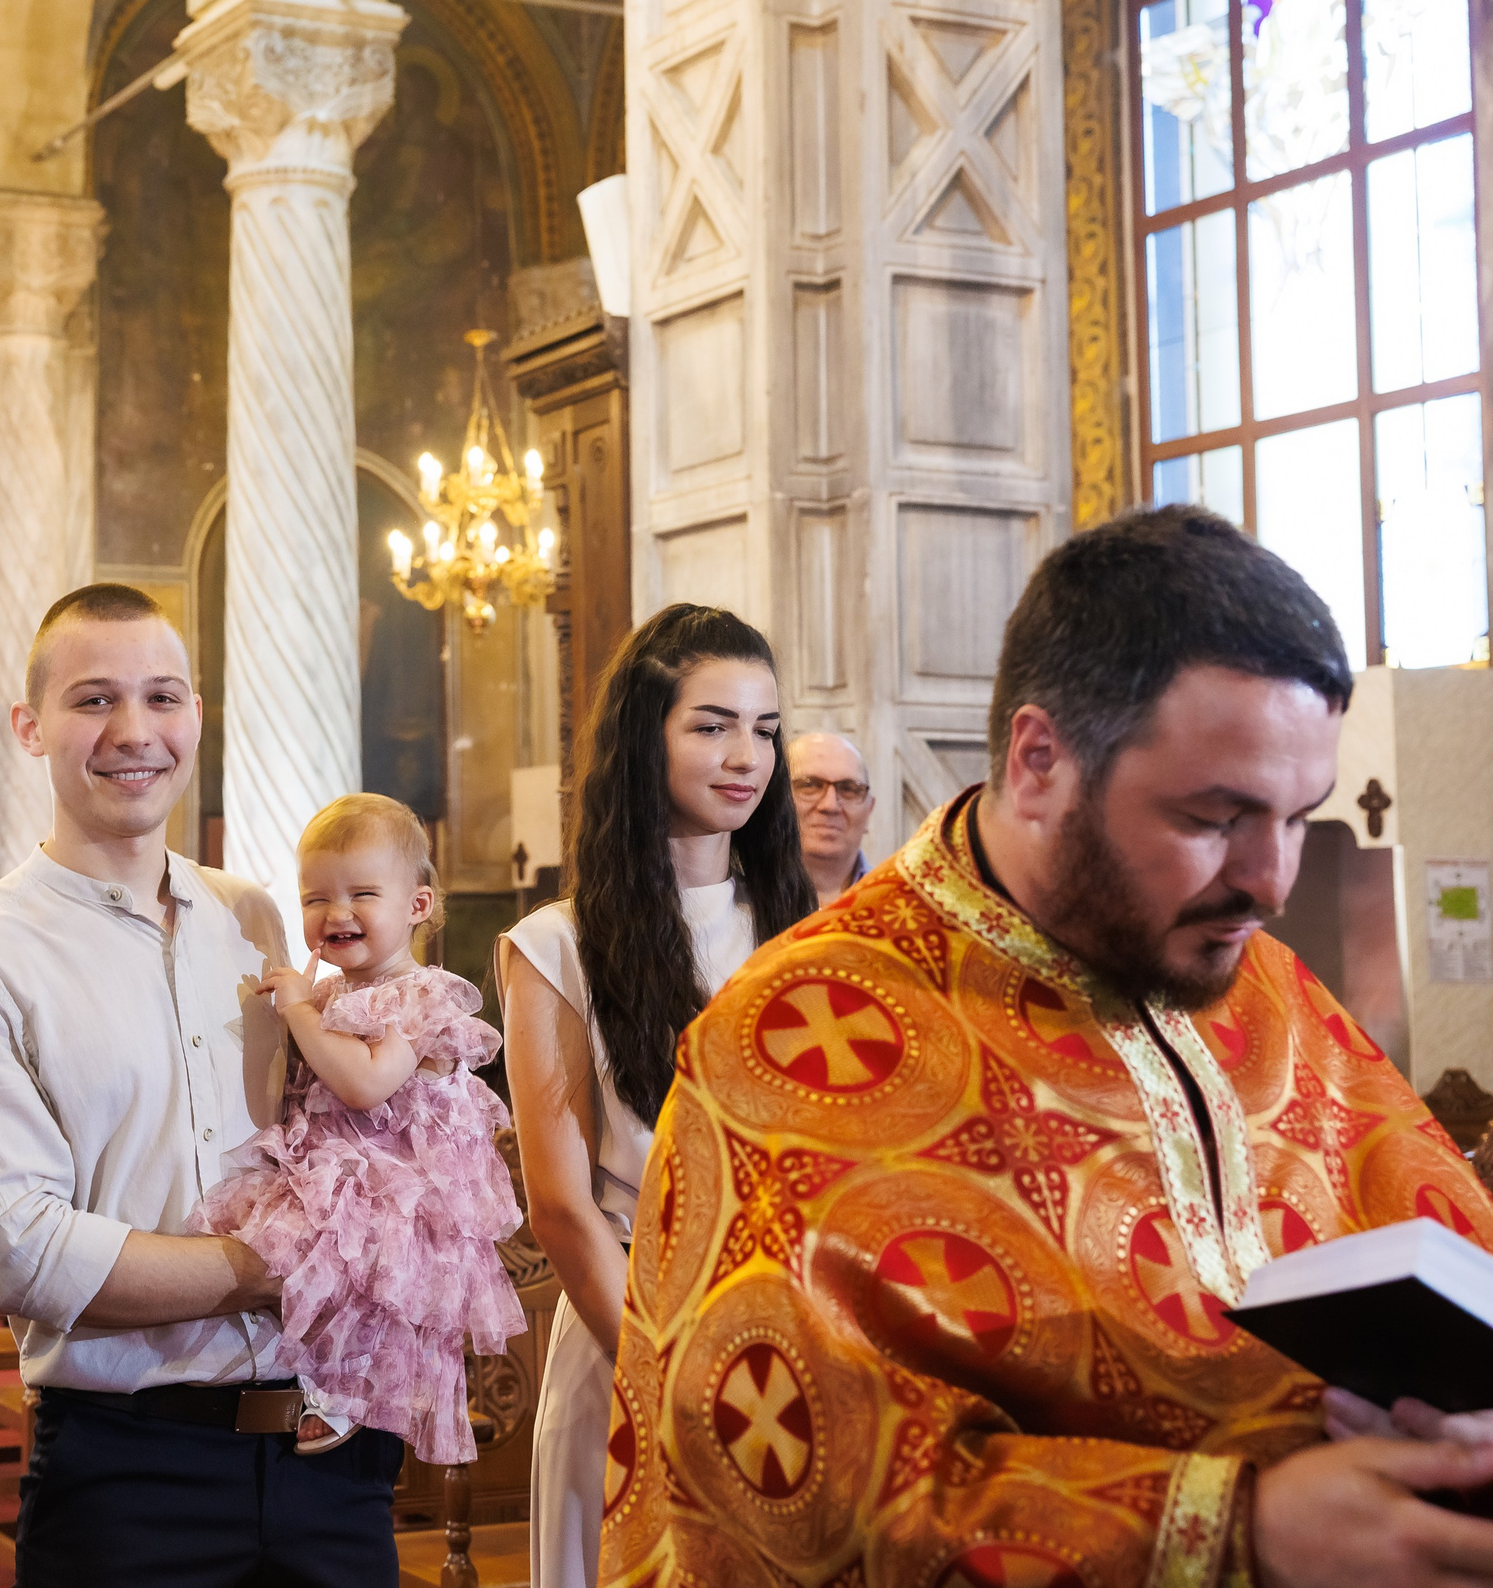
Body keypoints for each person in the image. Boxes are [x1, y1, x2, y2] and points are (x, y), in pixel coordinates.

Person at [600, 507, 1493, 1588]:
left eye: (1297, 817)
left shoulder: (1256, 974)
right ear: (1038, 761)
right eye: (1215, 817)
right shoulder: (790, 1040)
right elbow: (793, 1506)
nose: (1272, 881)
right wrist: (1239, 1532)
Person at [0, 583, 408, 1588]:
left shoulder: (258, 918)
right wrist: (271, 1263)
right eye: (94, 700)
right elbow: (21, 1252)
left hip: (331, 1447)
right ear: (31, 725)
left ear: (194, 715)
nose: (135, 732)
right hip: (132, 1471)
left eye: (163, 697)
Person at [499, 605, 815, 1588]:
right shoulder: (554, 946)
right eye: (712, 724)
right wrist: (672, 1372)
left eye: (764, 731)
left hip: (797, 1336)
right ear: (647, 736)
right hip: (628, 1331)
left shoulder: (811, 935)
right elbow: (556, 1205)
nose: (745, 756)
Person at [188, 793, 525, 1464]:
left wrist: (302, 1018)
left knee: (372, 1291)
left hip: (396, 1184)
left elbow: (366, 1081)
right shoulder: (334, 993)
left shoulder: (422, 997)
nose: (336, 913)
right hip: (339, 1166)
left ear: (417, 906)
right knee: (288, 1263)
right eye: (316, 897)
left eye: (362, 893)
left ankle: (351, 1392)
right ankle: (311, 1379)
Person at [786, 729, 875, 903]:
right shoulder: (735, 904)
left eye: (848, 789)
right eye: (809, 785)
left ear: (869, 809)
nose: (830, 805)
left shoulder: (898, 905)